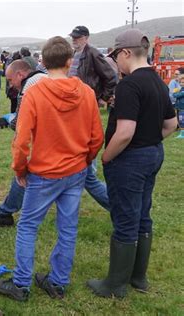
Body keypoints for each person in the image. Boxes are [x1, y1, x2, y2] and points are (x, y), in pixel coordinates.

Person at [0, 36, 104, 301]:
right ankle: (58, 282)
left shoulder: (35, 93)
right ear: (70, 61)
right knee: (67, 228)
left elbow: (21, 140)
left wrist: (20, 170)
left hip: (44, 174)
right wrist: (86, 160)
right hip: (75, 171)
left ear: (43, 62)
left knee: (28, 226)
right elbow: (97, 137)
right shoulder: (87, 93)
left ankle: (21, 285)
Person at [87, 29, 177, 298]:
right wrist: (147, 141)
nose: (115, 62)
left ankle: (115, 285)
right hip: (153, 154)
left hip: (130, 161)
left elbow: (124, 132)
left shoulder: (129, 85)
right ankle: (138, 278)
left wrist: (106, 156)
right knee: (142, 215)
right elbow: (171, 125)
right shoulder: (159, 82)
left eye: (116, 56)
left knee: (126, 218)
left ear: (126, 53)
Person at [0, 60, 47, 226]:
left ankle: (5, 213)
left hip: (53, 144)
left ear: (20, 75)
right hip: (71, 143)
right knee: (88, 181)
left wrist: (11, 119)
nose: (11, 85)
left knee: (23, 174)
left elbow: (18, 124)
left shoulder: (29, 86)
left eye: (10, 80)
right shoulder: (44, 78)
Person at [69, 25, 117, 211]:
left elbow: (110, 77)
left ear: (86, 38)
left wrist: (100, 97)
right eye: (73, 37)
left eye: (78, 37)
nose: (74, 40)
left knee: (88, 139)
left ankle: (90, 169)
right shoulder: (74, 54)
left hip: (86, 104)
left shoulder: (93, 54)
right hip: (74, 106)